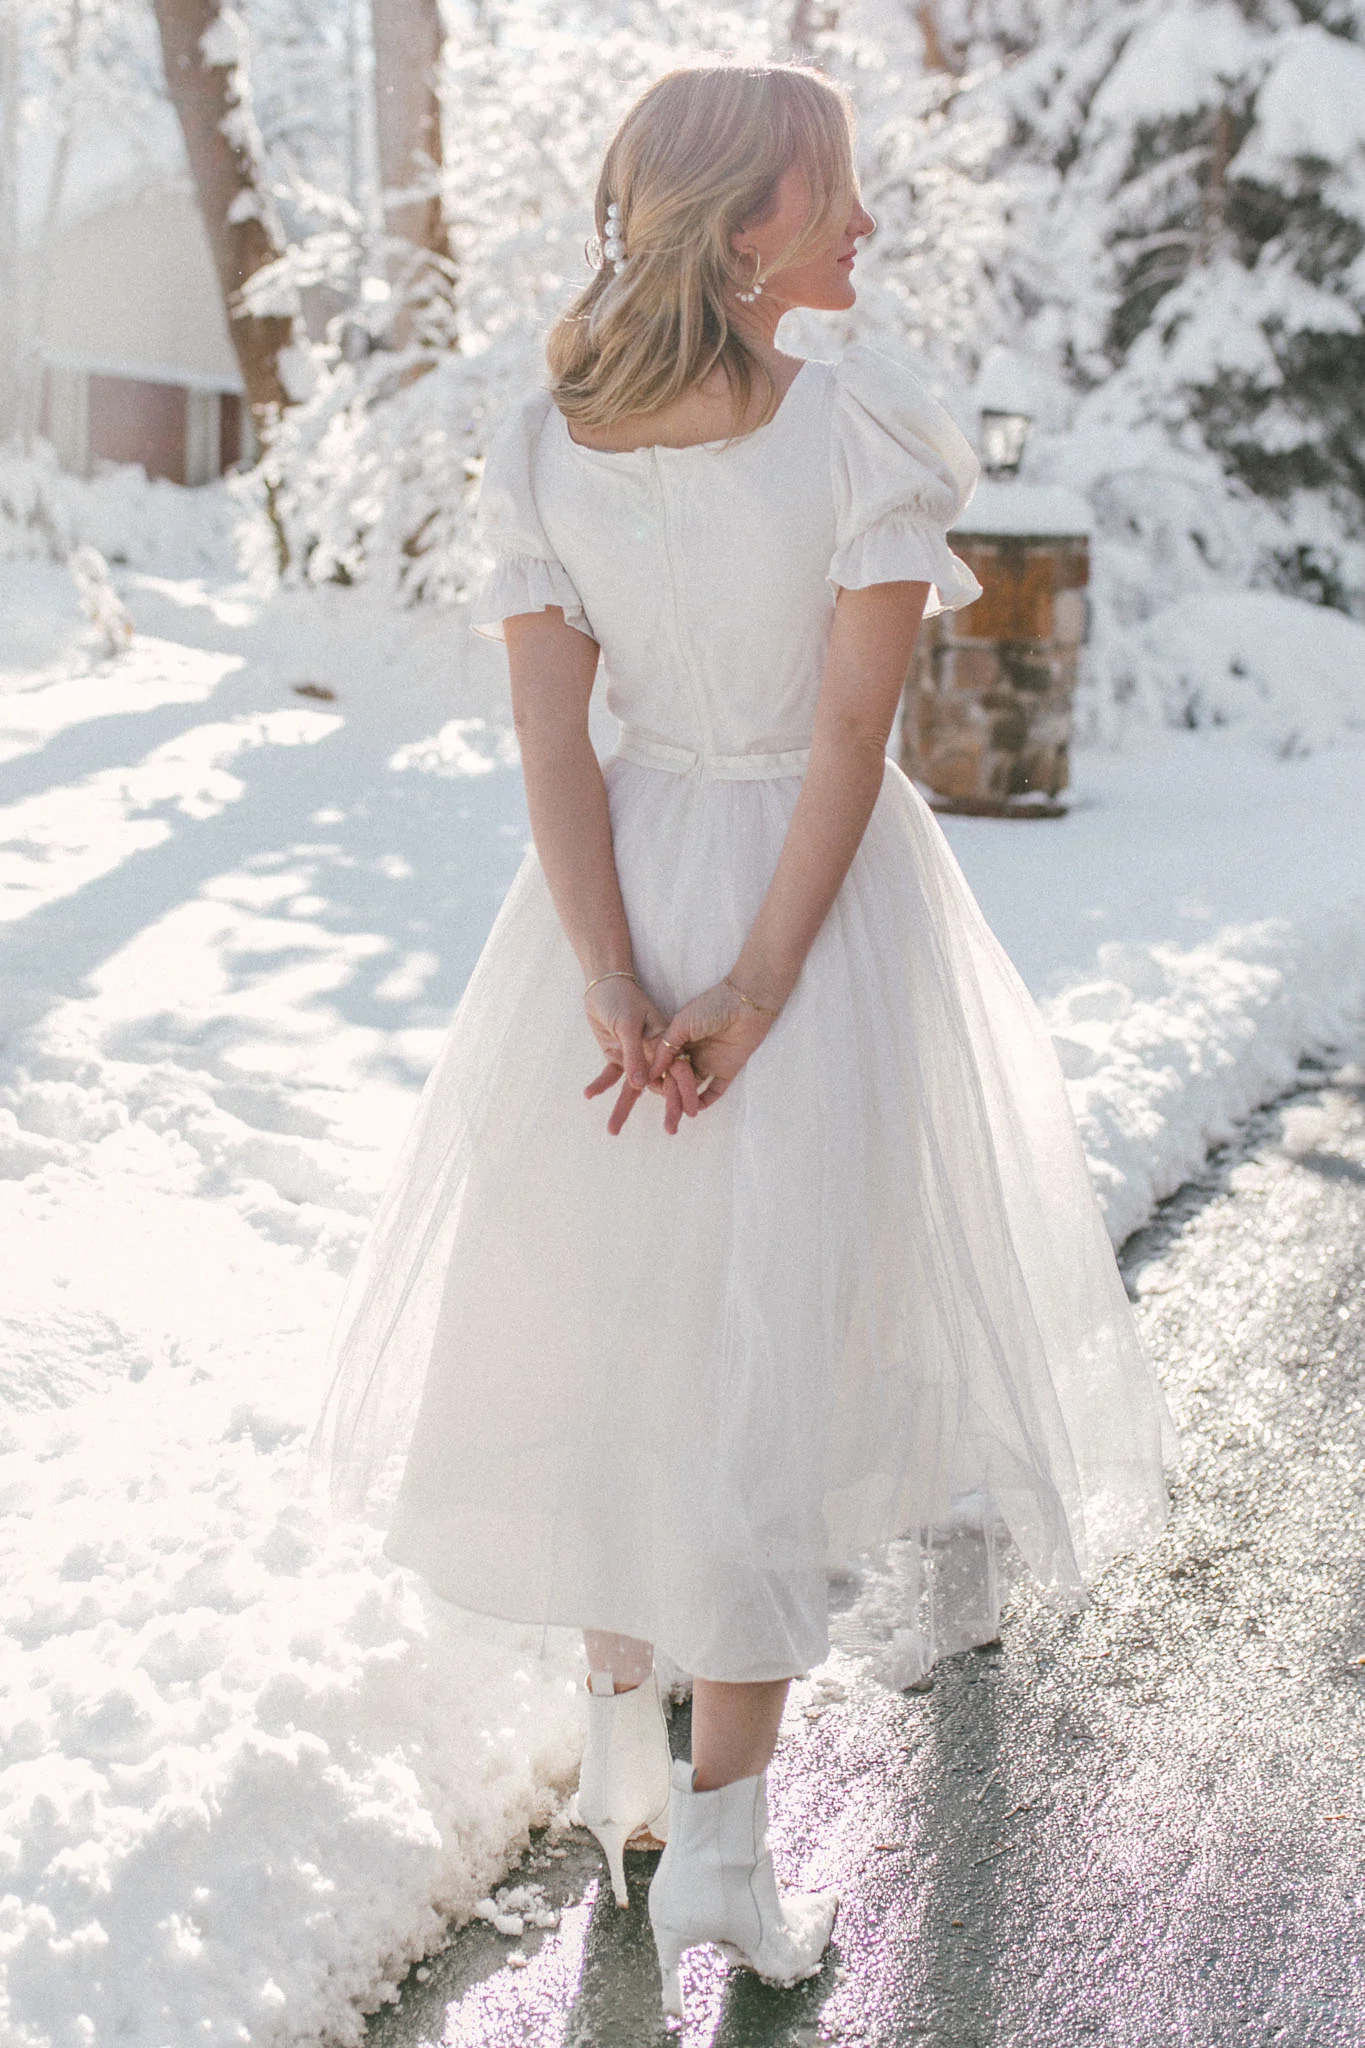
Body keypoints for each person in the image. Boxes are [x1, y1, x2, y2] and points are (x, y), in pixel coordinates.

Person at [310, 60, 1174, 2023]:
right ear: (747, 221)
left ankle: (631, 1768)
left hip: (617, 904)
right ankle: (706, 1845)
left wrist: (614, 978)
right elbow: (849, 750)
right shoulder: (856, 435)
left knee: (622, 1330)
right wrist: (751, 990)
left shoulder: (549, 441)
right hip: (807, 906)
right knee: (774, 1357)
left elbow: (553, 743)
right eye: (838, 194)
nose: (864, 228)